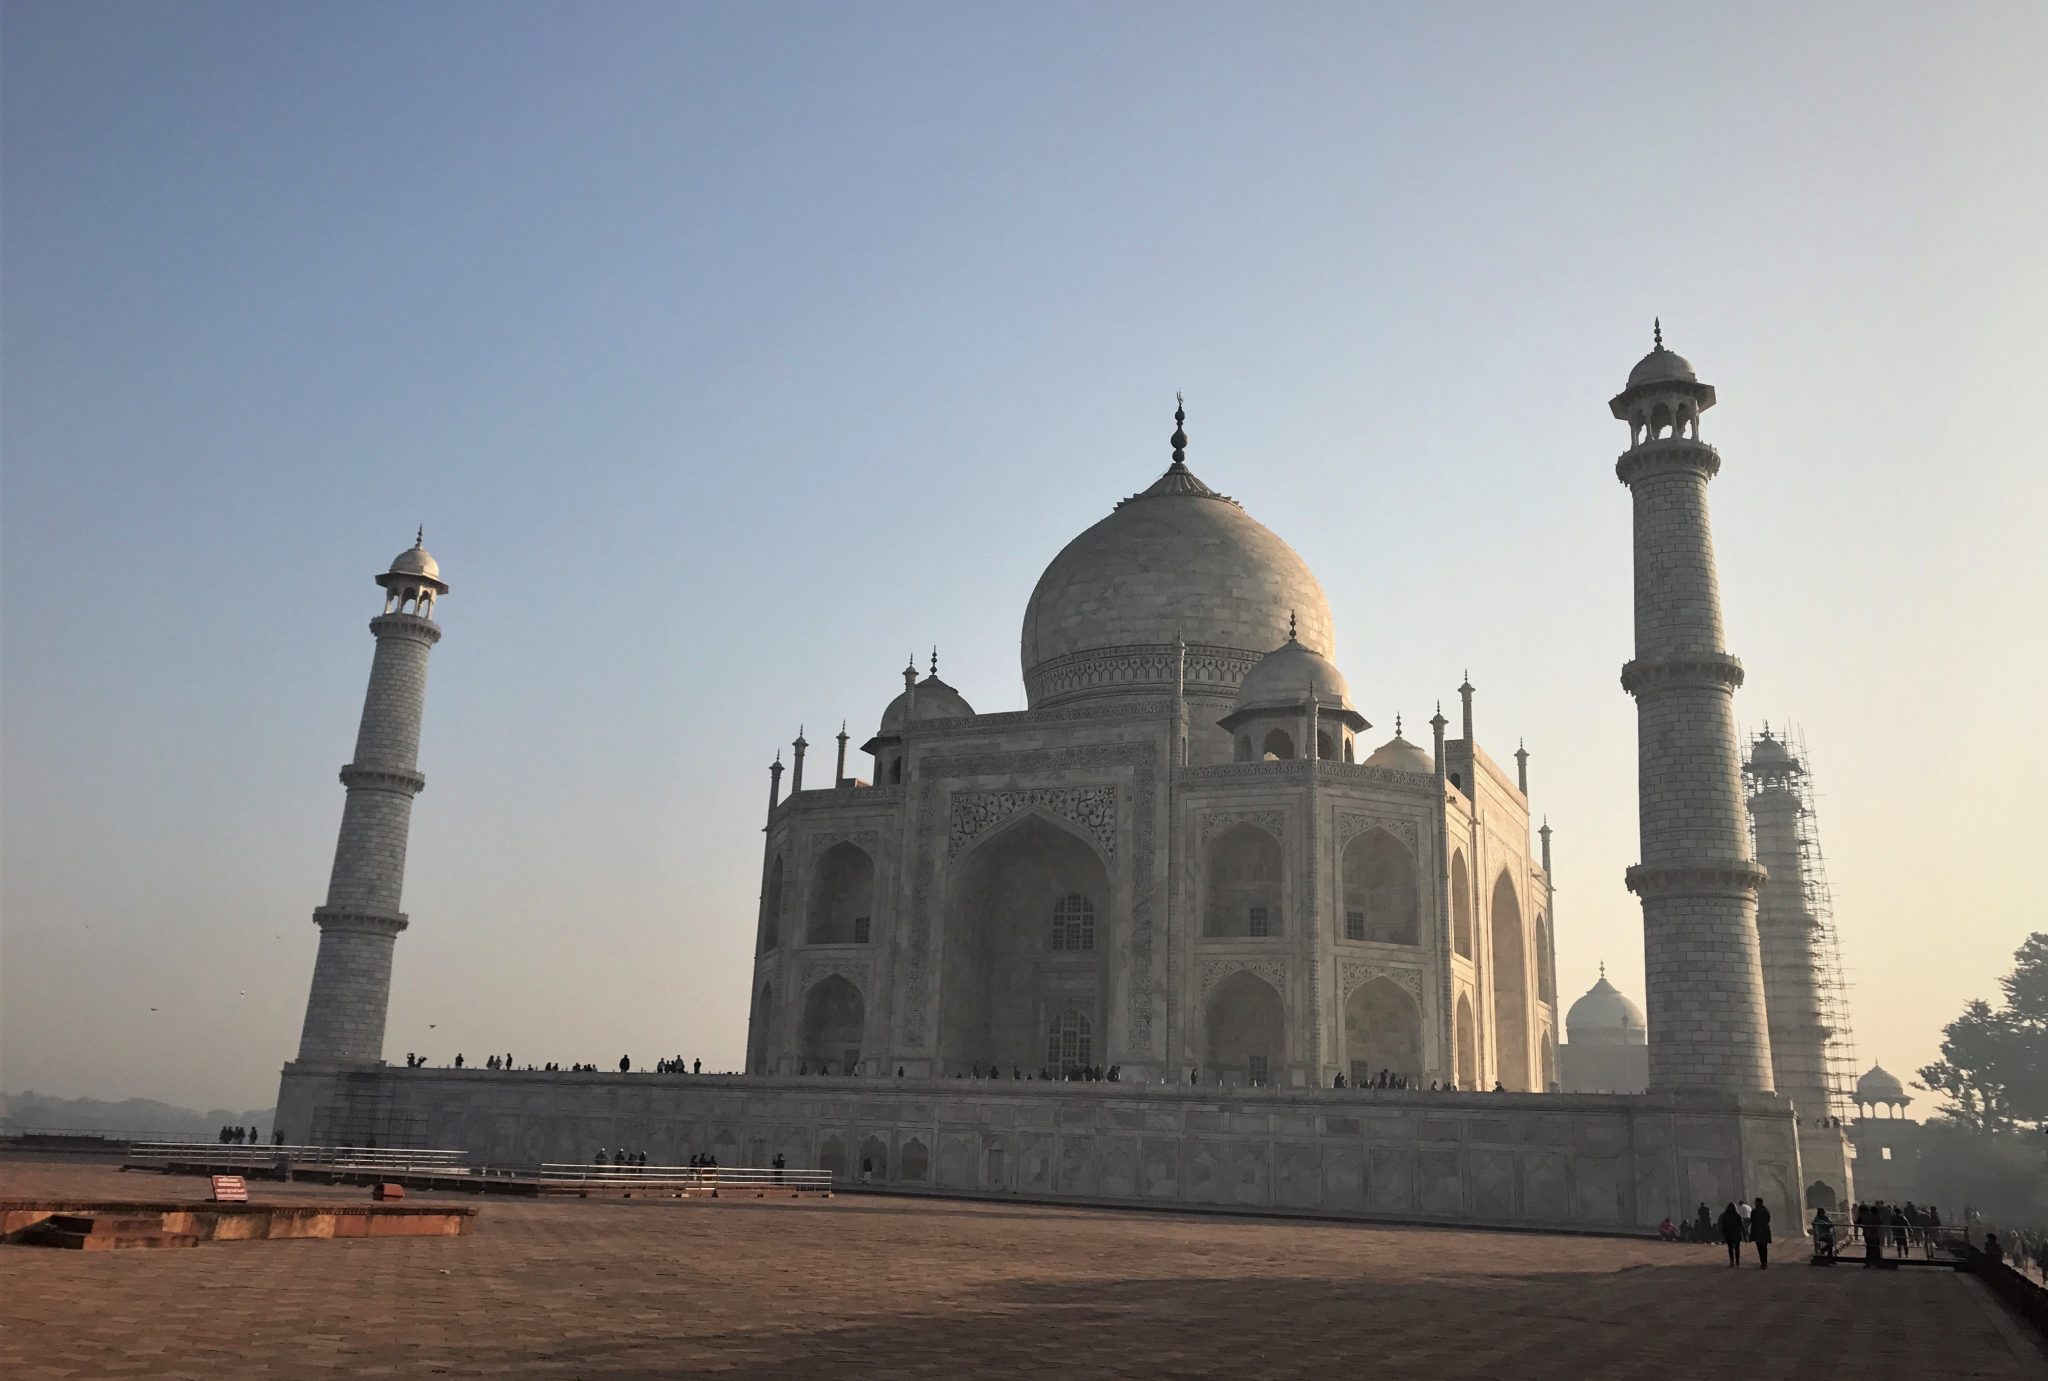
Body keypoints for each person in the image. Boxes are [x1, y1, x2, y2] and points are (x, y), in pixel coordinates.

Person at [1719, 1203, 1744, 1267]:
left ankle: (1732, 1261)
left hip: (1728, 1233)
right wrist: (1744, 1235)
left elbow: (1723, 1225)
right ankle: (1737, 1262)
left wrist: (1723, 1233)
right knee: (1737, 1248)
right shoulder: (1737, 1215)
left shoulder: (1725, 1215)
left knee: (1730, 1248)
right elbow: (1741, 1225)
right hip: (1736, 1233)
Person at [1750, 1198, 1773, 1269]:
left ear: (1758, 1203)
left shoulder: (1754, 1211)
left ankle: (1762, 1262)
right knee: (1764, 1248)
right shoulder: (1765, 1211)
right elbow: (1768, 1219)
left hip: (1757, 1231)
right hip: (1764, 1231)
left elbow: (1752, 1220)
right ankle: (1764, 1262)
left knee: (1759, 1248)